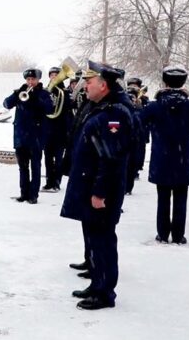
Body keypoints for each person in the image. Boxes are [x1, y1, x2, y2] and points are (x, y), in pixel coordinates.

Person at [60, 60, 133, 310]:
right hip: (89, 185)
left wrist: (100, 192)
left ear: (103, 85)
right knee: (95, 238)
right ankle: (96, 285)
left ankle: (104, 293)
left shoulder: (114, 114)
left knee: (103, 241)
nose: (85, 86)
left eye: (89, 82)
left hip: (101, 191)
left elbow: (111, 158)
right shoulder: (100, 107)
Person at [140, 67, 189, 244]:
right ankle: (179, 235)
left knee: (163, 199)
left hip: (161, 159)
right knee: (181, 199)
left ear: (165, 82)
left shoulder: (154, 106)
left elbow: (137, 122)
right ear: (183, 83)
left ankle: (163, 234)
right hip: (183, 159)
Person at [3, 69, 54, 204]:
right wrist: (16, 94)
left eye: (33, 79)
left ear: (38, 80)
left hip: (36, 137)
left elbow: (50, 109)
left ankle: (33, 195)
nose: (30, 82)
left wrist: (36, 98)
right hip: (21, 137)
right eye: (28, 80)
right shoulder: (21, 92)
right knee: (23, 167)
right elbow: (6, 104)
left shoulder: (44, 94)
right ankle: (24, 193)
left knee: (35, 166)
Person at [41, 66, 72, 192]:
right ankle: (49, 182)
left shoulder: (64, 92)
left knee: (58, 158)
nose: (53, 77)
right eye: (51, 75)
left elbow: (68, 109)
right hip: (48, 129)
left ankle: (57, 182)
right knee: (48, 158)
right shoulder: (45, 91)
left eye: (56, 75)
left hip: (60, 130)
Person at [124, 80, 147, 195]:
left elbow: (141, 119)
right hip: (125, 137)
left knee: (133, 161)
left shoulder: (140, 104)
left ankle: (128, 186)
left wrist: (138, 107)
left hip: (136, 137)